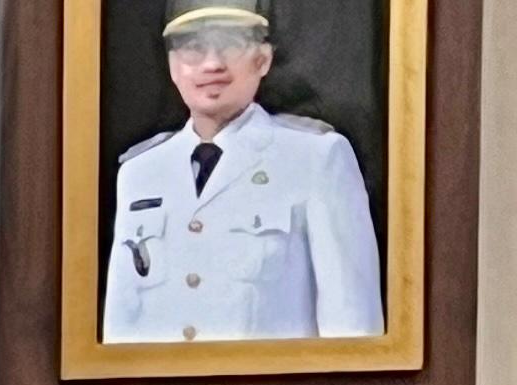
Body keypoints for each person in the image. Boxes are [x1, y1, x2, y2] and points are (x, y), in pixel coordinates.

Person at [103, 1, 383, 346]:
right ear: (173, 65)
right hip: (158, 384)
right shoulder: (140, 172)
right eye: (193, 47)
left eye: (231, 43)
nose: (212, 64)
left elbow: (353, 327)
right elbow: (120, 326)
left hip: (276, 383)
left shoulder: (317, 158)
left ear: (262, 59)